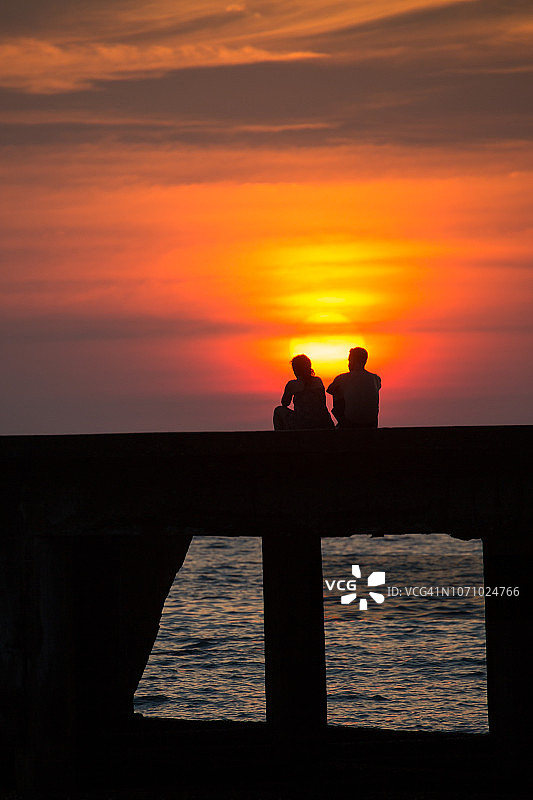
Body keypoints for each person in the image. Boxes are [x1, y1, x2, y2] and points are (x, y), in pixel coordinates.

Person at [273, 354, 334, 430]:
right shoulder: (318, 381)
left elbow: (285, 403)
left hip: (302, 424)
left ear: (295, 369)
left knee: (278, 410)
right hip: (324, 422)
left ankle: (281, 440)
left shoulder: (292, 384)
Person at [326, 347, 381, 428]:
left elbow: (330, 390)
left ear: (353, 361)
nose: (348, 364)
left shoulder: (342, 379)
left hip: (351, 423)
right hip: (371, 424)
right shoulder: (376, 379)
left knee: (337, 392)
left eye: (349, 360)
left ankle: (342, 425)